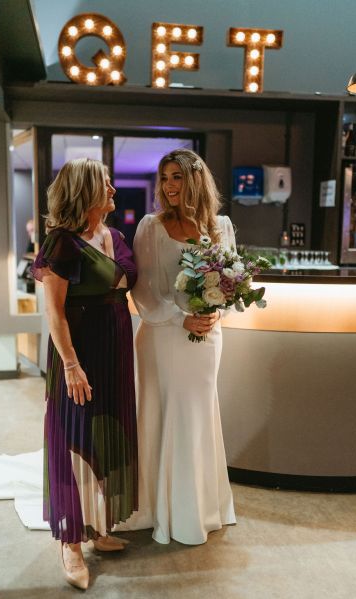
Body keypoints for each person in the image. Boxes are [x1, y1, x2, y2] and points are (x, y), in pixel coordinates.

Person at [31, 158, 138, 590]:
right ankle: (70, 541)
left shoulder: (115, 235)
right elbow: (53, 312)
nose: (113, 186)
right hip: (79, 353)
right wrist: (71, 365)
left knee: (106, 435)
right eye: (105, 181)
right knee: (73, 436)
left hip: (115, 349)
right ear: (86, 191)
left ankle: (97, 526)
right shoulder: (62, 243)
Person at [121, 148, 236, 545]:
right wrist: (179, 316)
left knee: (199, 414)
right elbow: (144, 291)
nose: (169, 186)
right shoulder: (152, 227)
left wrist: (215, 313)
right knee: (166, 414)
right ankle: (161, 508)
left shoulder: (221, 225)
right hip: (163, 335)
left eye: (177, 177)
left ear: (195, 180)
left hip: (206, 339)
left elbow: (231, 282)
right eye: (164, 178)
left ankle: (203, 506)